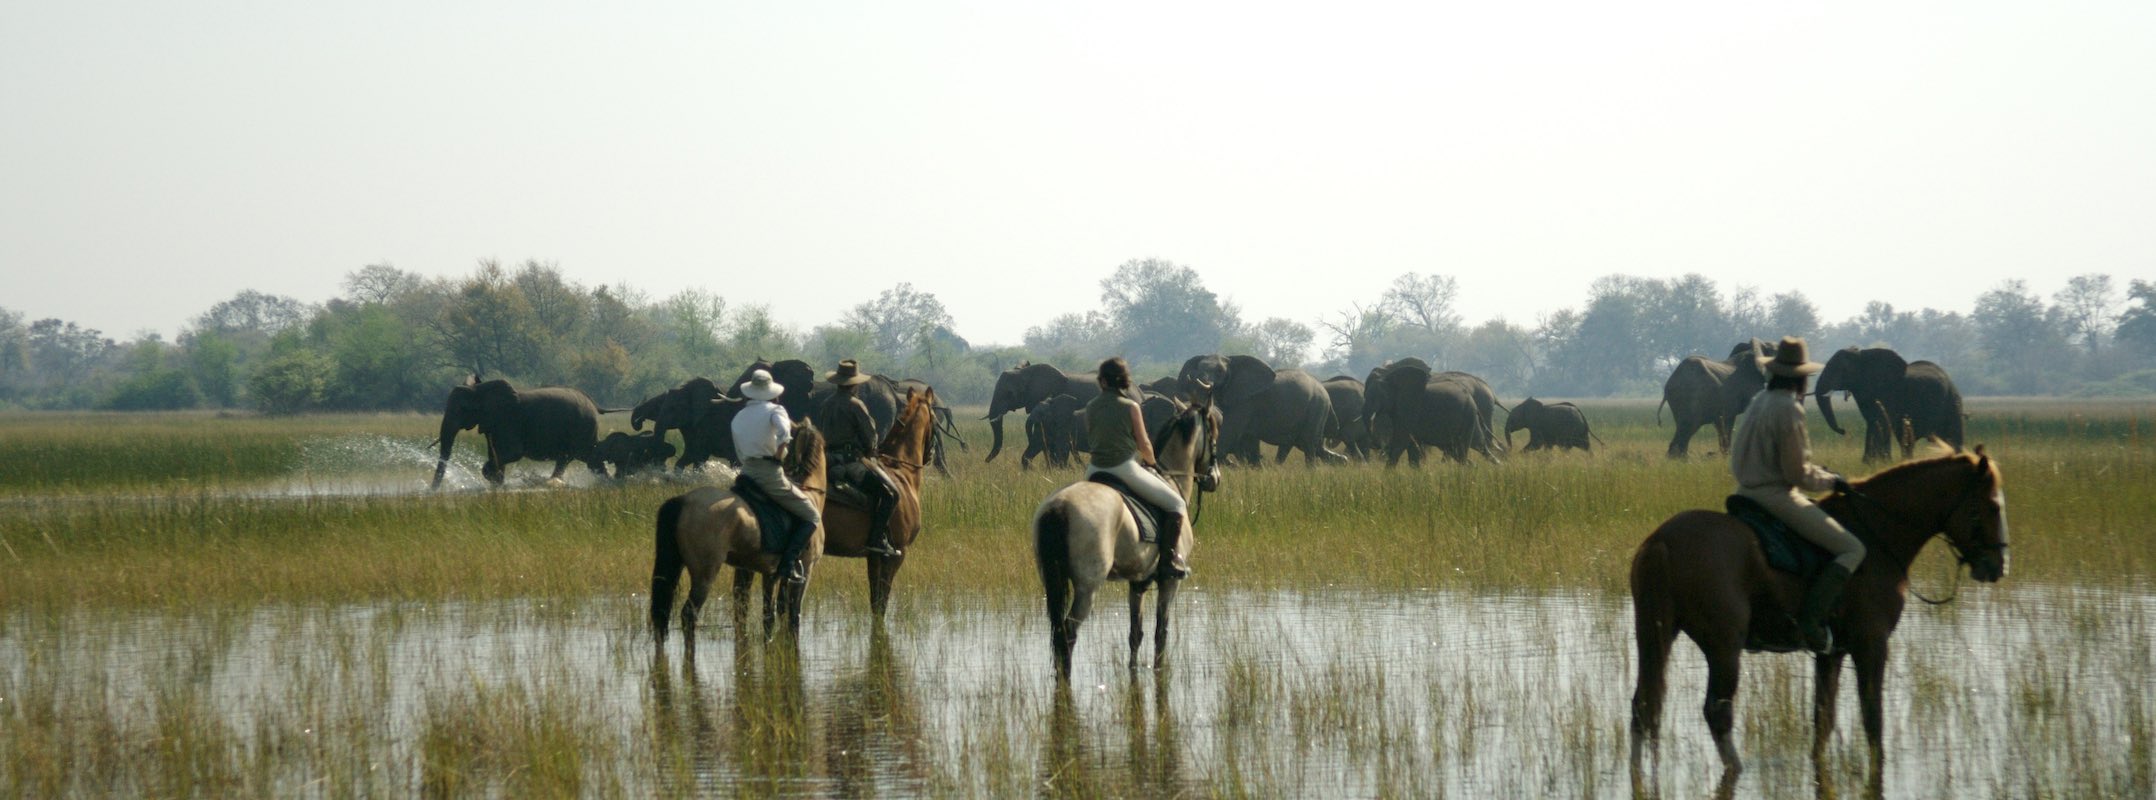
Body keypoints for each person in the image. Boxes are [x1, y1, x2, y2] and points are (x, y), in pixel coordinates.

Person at [1729, 337, 1862, 652]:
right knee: (1852, 549)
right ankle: (1811, 625)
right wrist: (1832, 480)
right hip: (1776, 497)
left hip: (1743, 493)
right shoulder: (1790, 408)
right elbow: (1796, 475)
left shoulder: (1758, 401)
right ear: (1802, 377)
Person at [1084, 357, 1189, 579]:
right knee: (1176, 504)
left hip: (1093, 471)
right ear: (1124, 382)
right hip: (1123, 468)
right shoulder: (1131, 406)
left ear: (1102, 382)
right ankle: (1169, 560)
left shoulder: (1090, 407)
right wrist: (1151, 463)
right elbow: (1144, 444)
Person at [731, 369, 820, 584]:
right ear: (771, 391)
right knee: (811, 515)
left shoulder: (739, 415)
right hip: (769, 473)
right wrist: (779, 457)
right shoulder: (776, 410)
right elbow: (785, 435)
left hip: (745, 473)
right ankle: (788, 565)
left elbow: (739, 451)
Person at [814, 360, 902, 558]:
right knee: (890, 494)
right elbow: (871, 437)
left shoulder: (826, 404)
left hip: (827, 461)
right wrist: (870, 451)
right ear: (854, 384)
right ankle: (877, 540)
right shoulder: (855, 404)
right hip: (850, 463)